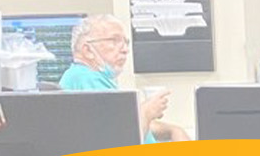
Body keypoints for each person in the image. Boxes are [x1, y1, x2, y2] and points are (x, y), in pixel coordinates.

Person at [59, 15, 189, 142]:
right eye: (114, 41)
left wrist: (173, 130)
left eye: (126, 42)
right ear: (87, 50)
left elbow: (119, 123)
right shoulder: (85, 78)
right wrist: (146, 112)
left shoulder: (89, 77)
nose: (125, 49)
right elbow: (119, 143)